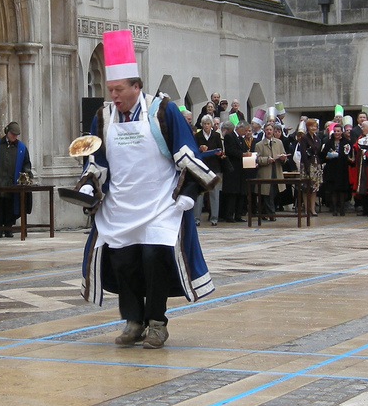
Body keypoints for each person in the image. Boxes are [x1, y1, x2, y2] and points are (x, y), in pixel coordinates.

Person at [78, 30, 215, 349]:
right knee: (123, 262)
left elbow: (188, 155)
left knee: (154, 259)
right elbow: (97, 163)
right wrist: (88, 188)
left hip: (160, 206)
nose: (114, 95)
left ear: (136, 87)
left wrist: (188, 195)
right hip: (120, 207)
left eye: (120, 89)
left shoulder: (162, 112)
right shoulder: (103, 117)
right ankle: (133, 320)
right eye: (110, 89)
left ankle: (157, 323)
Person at [0, 121, 33, 237]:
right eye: (12, 134)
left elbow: (26, 165)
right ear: (7, 132)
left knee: (11, 207)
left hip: (12, 185)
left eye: (16, 135)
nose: (14, 137)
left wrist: (27, 177)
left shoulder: (21, 148)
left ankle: (9, 227)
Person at [194, 114, 224, 226]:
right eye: (204, 124)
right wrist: (200, 149)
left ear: (211, 125)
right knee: (200, 194)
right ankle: (196, 218)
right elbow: (194, 152)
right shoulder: (197, 136)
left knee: (214, 194)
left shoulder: (216, 136)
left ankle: (214, 218)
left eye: (208, 124)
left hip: (214, 166)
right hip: (202, 167)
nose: (206, 126)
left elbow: (221, 151)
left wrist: (218, 152)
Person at [254, 124, 287, 220]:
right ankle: (272, 214)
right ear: (264, 130)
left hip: (276, 171)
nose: (269, 131)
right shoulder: (259, 145)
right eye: (267, 130)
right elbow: (257, 159)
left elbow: (284, 155)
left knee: (274, 192)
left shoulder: (279, 142)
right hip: (265, 172)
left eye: (270, 130)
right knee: (268, 193)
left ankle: (263, 212)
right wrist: (267, 160)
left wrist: (282, 158)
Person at [321, 124, 353, 215]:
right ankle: (334, 208)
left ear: (341, 132)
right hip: (332, 168)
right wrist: (328, 156)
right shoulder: (329, 142)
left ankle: (342, 208)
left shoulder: (346, 142)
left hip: (342, 168)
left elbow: (350, 155)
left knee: (342, 190)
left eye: (338, 131)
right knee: (333, 190)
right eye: (335, 131)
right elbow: (322, 155)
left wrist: (344, 153)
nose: (336, 133)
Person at [220, 121, 248, 222]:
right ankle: (229, 215)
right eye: (244, 130)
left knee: (241, 194)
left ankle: (238, 215)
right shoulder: (230, 136)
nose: (245, 133)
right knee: (232, 194)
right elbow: (230, 151)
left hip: (241, 171)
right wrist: (242, 154)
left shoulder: (242, 139)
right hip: (232, 170)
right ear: (240, 128)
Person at [298, 119, 323, 216]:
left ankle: (313, 209)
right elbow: (303, 153)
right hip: (307, 164)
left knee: (315, 188)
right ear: (308, 127)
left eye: (315, 126)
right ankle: (306, 209)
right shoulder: (304, 138)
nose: (314, 128)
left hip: (316, 164)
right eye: (312, 126)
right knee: (306, 188)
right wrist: (307, 167)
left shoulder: (316, 138)